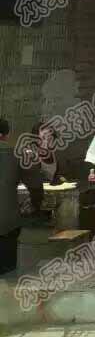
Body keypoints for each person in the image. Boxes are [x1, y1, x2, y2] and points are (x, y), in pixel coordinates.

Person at [20, 121, 61, 219]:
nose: (47, 140)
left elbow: (55, 176)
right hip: (32, 204)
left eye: (50, 136)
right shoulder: (29, 154)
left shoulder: (53, 154)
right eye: (44, 137)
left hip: (50, 203)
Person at [0, 118, 21, 275]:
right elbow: (34, 183)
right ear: (5, 135)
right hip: (7, 223)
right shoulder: (15, 154)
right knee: (8, 271)